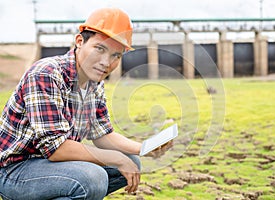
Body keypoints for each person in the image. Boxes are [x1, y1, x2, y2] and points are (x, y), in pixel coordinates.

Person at [0, 8, 171, 200]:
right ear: (80, 42)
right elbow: (56, 149)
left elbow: (103, 135)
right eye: (100, 49)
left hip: (50, 166)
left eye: (117, 55)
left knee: (132, 162)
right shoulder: (46, 74)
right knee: (92, 178)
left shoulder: (94, 82)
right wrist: (116, 158)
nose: (107, 62)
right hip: (14, 171)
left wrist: (144, 148)